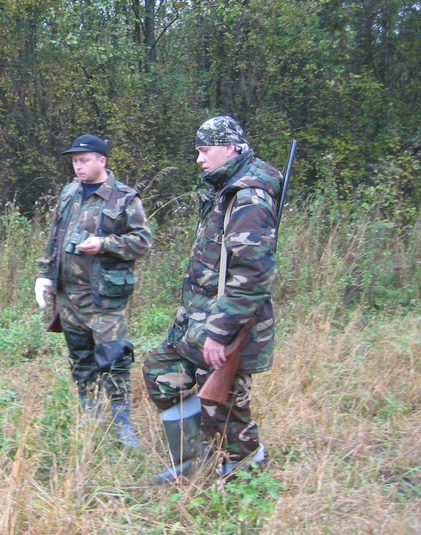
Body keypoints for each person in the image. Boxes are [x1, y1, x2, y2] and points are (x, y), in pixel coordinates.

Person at [142, 116, 283, 483]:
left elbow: (253, 274)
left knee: (224, 406)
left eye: (205, 150)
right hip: (197, 319)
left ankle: (246, 471)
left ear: (230, 148)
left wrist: (220, 332)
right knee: (160, 372)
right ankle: (194, 457)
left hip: (227, 323)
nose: (199, 159)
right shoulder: (225, 188)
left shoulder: (248, 196)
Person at [35, 134, 152, 447]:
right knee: (80, 358)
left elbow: (142, 241)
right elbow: (55, 236)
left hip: (103, 296)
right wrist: (44, 273)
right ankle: (90, 414)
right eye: (75, 160)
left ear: (102, 160)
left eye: (84, 160)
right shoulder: (69, 192)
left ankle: (123, 425)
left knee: (114, 358)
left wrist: (104, 244)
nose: (78, 166)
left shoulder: (123, 198)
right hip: (68, 295)